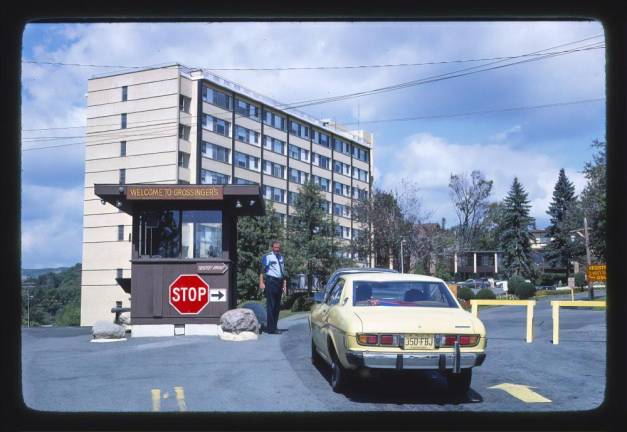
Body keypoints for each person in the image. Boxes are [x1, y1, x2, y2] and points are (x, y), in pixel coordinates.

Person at [259, 240, 287, 334]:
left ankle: (274, 326)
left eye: (278, 248)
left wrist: (284, 285)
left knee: (277, 306)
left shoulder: (281, 257)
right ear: (272, 248)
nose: (277, 249)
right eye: (275, 248)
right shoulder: (268, 257)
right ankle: (271, 329)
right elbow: (262, 271)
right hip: (271, 282)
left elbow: (282, 272)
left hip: (279, 282)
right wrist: (261, 282)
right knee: (271, 305)